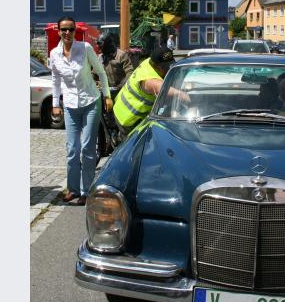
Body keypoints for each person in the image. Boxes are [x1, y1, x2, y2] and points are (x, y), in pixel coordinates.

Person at [49, 16, 113, 206]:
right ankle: (73, 189)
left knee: (87, 148)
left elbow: (101, 72)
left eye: (71, 29)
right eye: (64, 29)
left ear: (76, 31)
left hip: (90, 102)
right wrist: (55, 103)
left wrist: (107, 95)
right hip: (69, 105)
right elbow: (56, 80)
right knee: (72, 149)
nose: (67, 33)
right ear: (58, 31)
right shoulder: (54, 54)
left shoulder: (84, 49)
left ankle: (86, 191)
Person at [113, 46, 189, 135]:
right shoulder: (150, 81)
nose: (168, 69)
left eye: (169, 65)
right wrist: (193, 99)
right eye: (164, 67)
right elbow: (177, 94)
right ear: (155, 65)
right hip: (127, 118)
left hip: (126, 108)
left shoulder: (149, 62)